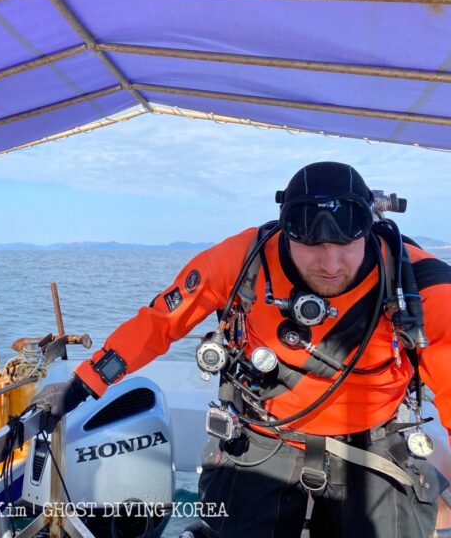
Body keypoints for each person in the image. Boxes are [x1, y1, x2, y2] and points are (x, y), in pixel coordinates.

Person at [34, 161, 451, 537]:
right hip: (263, 432)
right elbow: (160, 322)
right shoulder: (244, 259)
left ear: (370, 231)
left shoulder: (420, 285)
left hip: (371, 440)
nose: (330, 264)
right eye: (312, 246)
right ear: (285, 233)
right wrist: (82, 382)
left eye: (346, 245)